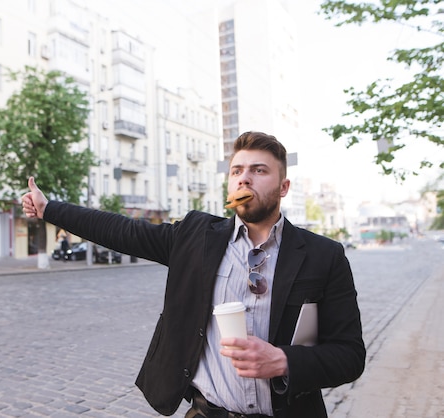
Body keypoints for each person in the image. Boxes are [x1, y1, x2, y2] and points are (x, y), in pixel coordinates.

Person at [21, 131, 365, 418]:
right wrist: (50, 208)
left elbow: (349, 357)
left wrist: (283, 360)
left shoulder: (324, 255)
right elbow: (121, 230)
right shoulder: (195, 237)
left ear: (284, 187)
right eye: (236, 171)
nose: (244, 177)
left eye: (259, 170)